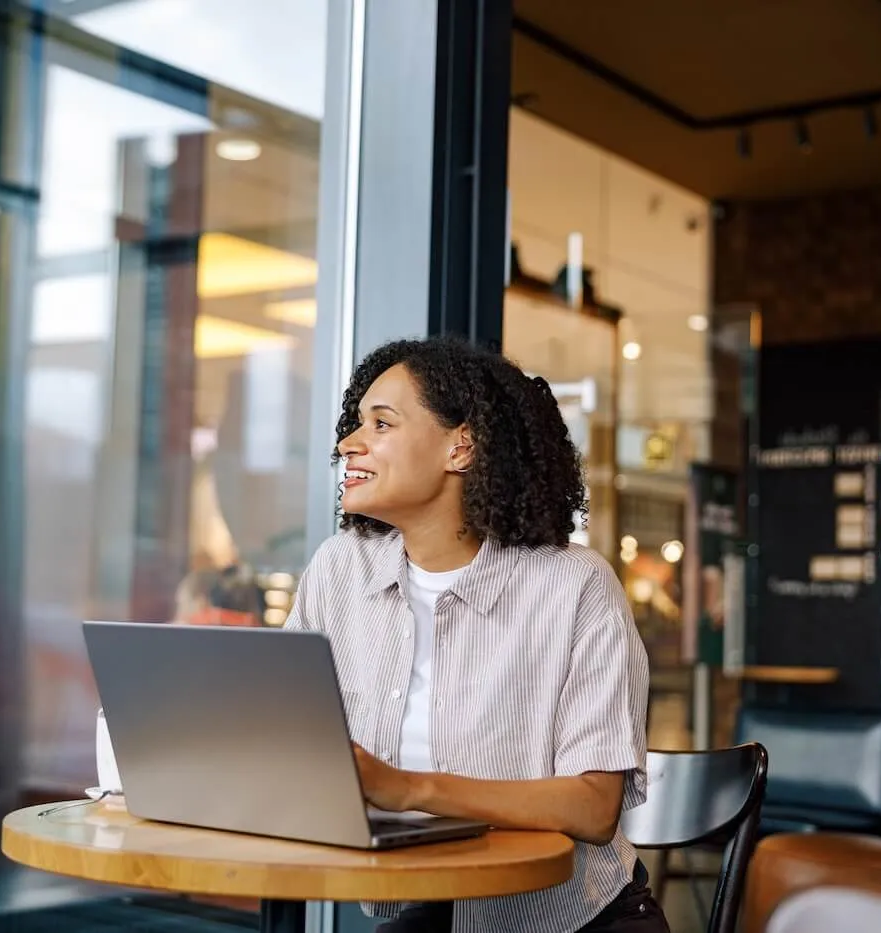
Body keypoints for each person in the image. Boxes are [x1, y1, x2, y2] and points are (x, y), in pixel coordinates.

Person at [285, 337, 666, 933]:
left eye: (380, 424)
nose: (348, 445)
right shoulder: (340, 569)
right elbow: (285, 738)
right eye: (355, 424)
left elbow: (593, 806)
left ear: (460, 446)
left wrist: (406, 788)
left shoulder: (574, 586)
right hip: (428, 907)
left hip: (574, 922)